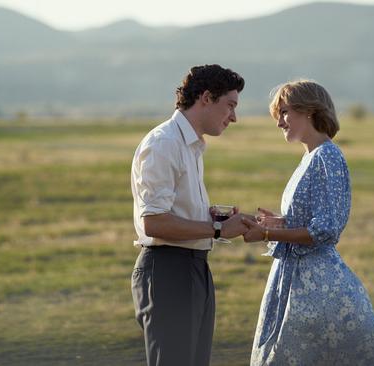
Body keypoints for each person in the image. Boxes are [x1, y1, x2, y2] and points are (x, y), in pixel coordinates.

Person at [242, 80, 374, 365]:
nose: (280, 123)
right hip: (295, 278)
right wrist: (276, 223)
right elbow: (310, 219)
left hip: (316, 286)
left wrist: (266, 233)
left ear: (309, 111)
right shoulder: (310, 156)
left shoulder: (328, 157)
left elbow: (324, 229)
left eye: (284, 112)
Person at [130, 64, 248, 366]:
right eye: (230, 105)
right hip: (168, 270)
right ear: (206, 98)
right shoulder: (164, 143)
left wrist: (213, 220)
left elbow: (174, 211)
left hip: (194, 269)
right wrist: (218, 230)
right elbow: (154, 222)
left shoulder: (191, 147)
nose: (233, 117)